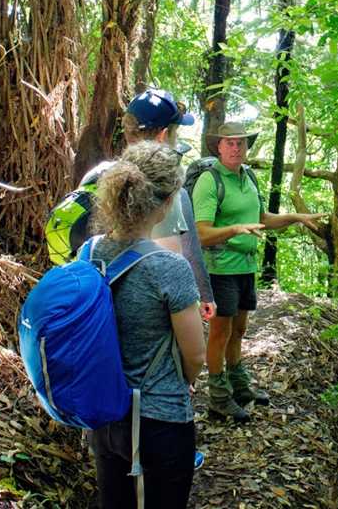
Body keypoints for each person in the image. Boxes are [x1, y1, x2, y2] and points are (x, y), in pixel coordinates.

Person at [88, 141, 205, 509]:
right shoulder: (170, 268)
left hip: (104, 414)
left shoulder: (89, 251)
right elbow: (196, 355)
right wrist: (181, 381)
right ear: (168, 201)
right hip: (159, 420)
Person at [191, 122, 324, 422]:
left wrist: (295, 217)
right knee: (220, 333)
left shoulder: (248, 177)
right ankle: (218, 398)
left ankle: (240, 387)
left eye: (240, 142)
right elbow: (201, 233)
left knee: (239, 330)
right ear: (218, 147)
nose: (236, 147)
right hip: (220, 268)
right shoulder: (210, 181)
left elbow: (261, 218)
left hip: (246, 266)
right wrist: (235, 229)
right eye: (230, 143)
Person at [122, 89, 216, 321]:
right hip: (148, 321)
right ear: (163, 135)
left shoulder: (101, 176)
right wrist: (204, 296)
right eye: (176, 132)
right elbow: (175, 265)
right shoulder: (168, 193)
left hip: (102, 319)